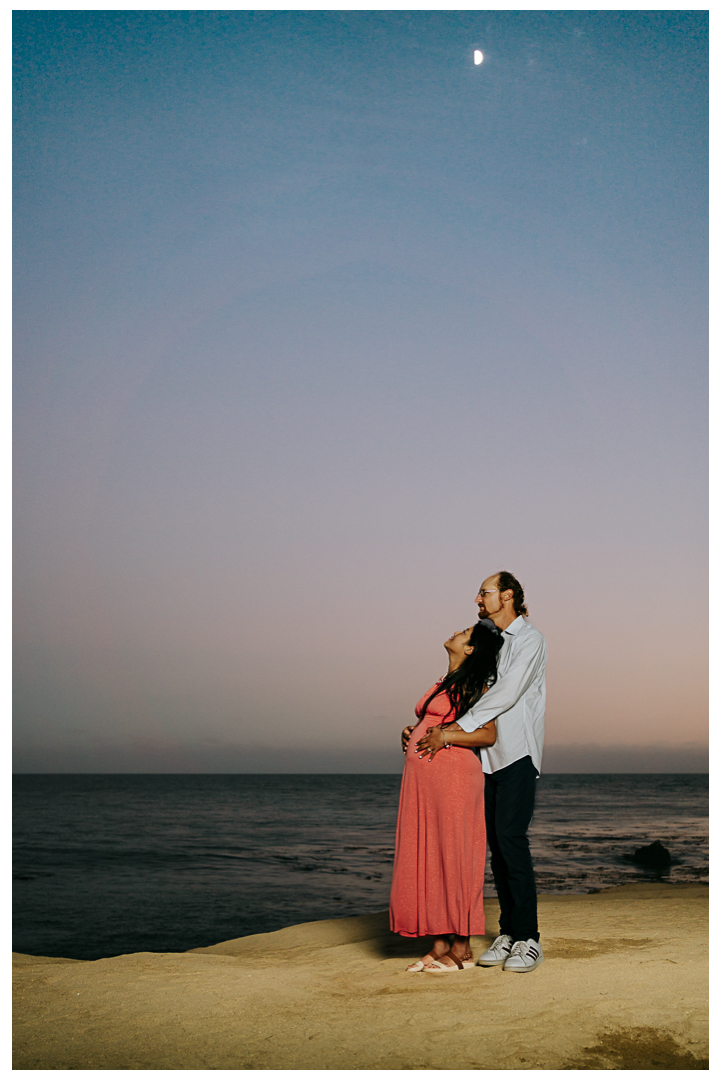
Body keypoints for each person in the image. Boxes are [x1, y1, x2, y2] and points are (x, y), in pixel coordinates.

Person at [408, 571, 547, 973]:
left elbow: (507, 692)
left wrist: (452, 731)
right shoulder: (494, 642)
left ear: (506, 596)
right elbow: (472, 691)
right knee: (497, 850)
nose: (477, 599)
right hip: (486, 761)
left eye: (484, 593)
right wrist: (421, 728)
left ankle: (528, 939)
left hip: (518, 754)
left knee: (511, 840)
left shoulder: (530, 641)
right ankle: (507, 933)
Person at [389, 621, 505, 972]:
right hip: (425, 782)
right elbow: (435, 722)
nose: (456, 632)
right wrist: (414, 731)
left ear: (470, 650)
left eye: (464, 633)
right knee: (430, 855)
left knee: (455, 857)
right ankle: (440, 943)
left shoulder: (474, 684)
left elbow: (487, 735)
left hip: (454, 778)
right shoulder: (445, 682)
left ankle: (463, 948)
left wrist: (445, 739)